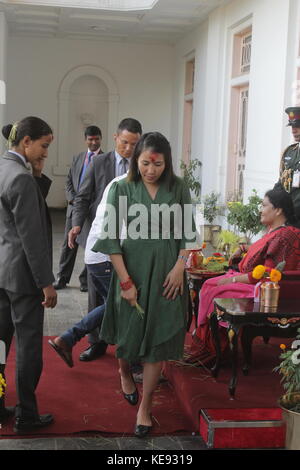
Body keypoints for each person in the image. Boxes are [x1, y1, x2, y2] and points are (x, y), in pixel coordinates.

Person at [92, 132, 198, 438]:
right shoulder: (123, 188)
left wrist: (180, 267)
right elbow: (111, 239)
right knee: (129, 331)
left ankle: (146, 407)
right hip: (132, 266)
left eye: (158, 164)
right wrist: (125, 281)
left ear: (167, 162)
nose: (152, 170)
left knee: (157, 341)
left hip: (168, 272)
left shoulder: (178, 188)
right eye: (145, 163)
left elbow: (188, 233)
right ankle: (125, 371)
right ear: (136, 161)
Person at [187, 189, 300, 365]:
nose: (260, 210)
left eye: (264, 205)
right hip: (250, 280)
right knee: (209, 284)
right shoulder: (273, 231)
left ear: (278, 210)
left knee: (216, 289)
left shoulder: (285, 235)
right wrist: (243, 248)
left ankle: (214, 348)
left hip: (262, 290)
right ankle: (207, 342)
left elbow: (264, 274)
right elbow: (261, 251)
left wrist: (231, 280)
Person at [68, 118, 142, 362]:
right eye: (124, 142)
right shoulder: (100, 162)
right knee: (99, 297)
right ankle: (96, 343)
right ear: (115, 138)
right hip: (100, 238)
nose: (129, 148)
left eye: (134, 143)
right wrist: (77, 224)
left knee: (118, 297)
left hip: (128, 242)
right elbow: (83, 196)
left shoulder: (143, 167)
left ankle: (121, 348)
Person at [0, 117, 57, 434]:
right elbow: (32, 237)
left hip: (1, 270)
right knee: (29, 348)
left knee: (0, 343)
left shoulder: (4, 168)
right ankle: (27, 414)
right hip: (22, 278)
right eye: (43, 146)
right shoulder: (20, 179)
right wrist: (45, 283)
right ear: (26, 142)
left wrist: (36, 173)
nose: (45, 154)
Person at [53, 125, 104, 292]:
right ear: (85, 140)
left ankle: (84, 280)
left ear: (101, 139)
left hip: (93, 212)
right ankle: (62, 278)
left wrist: (89, 204)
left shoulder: (105, 160)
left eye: (96, 139)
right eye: (90, 139)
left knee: (90, 246)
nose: (94, 142)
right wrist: (73, 200)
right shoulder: (78, 158)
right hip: (74, 209)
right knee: (69, 245)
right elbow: (69, 182)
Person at [274, 107, 300, 227]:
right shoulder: (289, 152)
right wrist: (271, 201)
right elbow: (282, 182)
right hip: (289, 218)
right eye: (292, 127)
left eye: (297, 126)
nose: (294, 131)